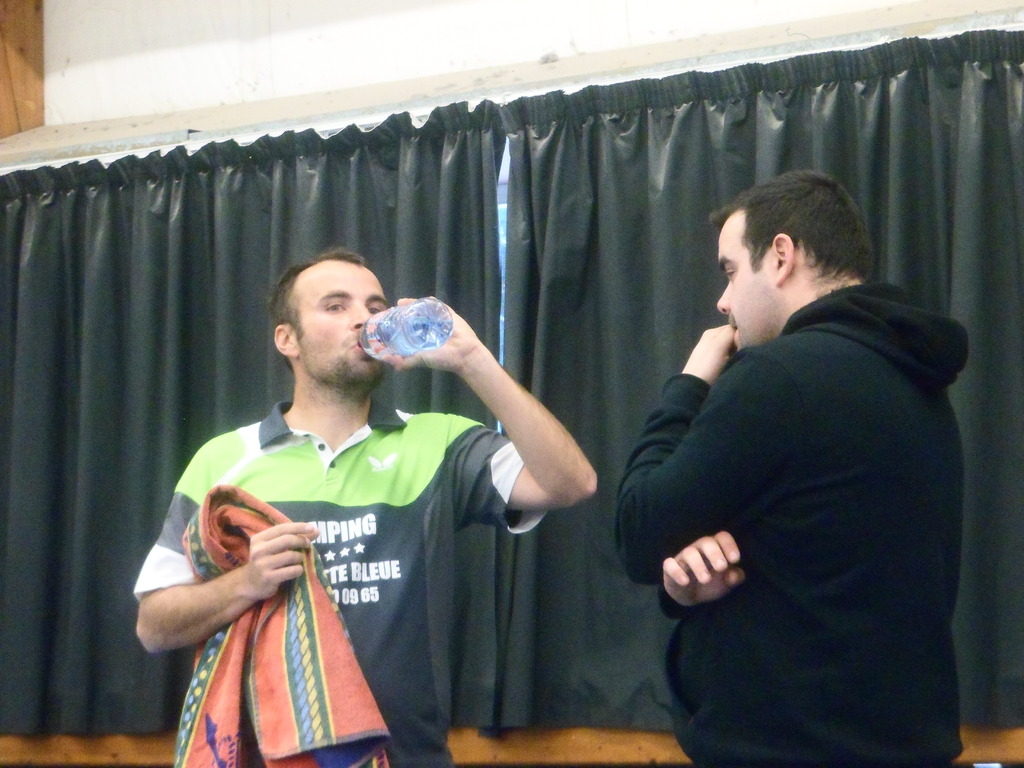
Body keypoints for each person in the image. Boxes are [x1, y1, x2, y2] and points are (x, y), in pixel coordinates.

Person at [134, 246, 597, 768]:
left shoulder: (438, 441)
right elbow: (154, 626)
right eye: (336, 306)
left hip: (410, 757)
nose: (363, 318)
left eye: (375, 307)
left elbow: (571, 483)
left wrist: (473, 361)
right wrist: (246, 583)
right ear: (287, 339)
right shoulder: (223, 459)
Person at [615, 170, 968, 767]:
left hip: (787, 748)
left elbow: (638, 531)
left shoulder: (778, 377)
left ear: (781, 256)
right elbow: (816, 559)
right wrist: (688, 584)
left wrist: (689, 382)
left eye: (730, 271)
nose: (723, 301)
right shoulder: (919, 381)